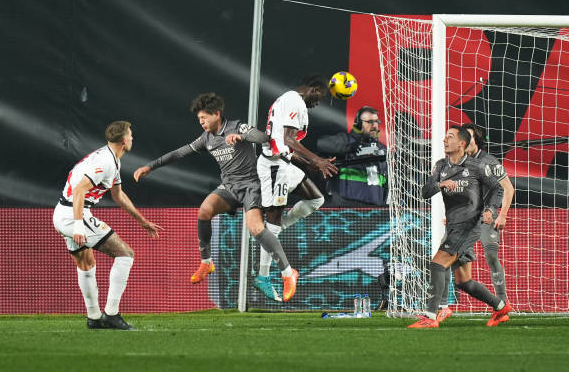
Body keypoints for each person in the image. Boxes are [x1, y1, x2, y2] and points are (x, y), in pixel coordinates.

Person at [133, 92, 299, 302]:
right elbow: (179, 153)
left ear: (217, 114)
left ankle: (288, 273)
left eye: (204, 117)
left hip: (251, 186)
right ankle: (206, 262)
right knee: (204, 211)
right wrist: (150, 166)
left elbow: (264, 138)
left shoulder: (237, 127)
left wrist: (242, 137)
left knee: (256, 229)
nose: (201, 122)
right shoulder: (206, 138)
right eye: (199, 119)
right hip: (229, 187)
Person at [53, 121, 163, 330]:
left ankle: (94, 318)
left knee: (86, 263)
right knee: (125, 254)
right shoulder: (106, 162)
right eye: (130, 135)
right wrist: (78, 226)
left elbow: (118, 196)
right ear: (124, 141)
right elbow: (79, 190)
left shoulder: (112, 159)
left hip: (63, 212)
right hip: (73, 214)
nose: (132, 138)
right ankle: (111, 314)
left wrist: (143, 221)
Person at [408, 126, 514, 328]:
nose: (445, 140)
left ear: (462, 144)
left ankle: (430, 317)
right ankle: (500, 307)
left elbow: (496, 188)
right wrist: (441, 184)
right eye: (445, 136)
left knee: (438, 263)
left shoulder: (477, 166)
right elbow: (425, 192)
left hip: (469, 226)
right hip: (453, 225)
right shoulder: (440, 166)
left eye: (450, 137)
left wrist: (491, 209)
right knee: (464, 281)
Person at [254, 75, 338, 301]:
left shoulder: (288, 99)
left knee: (316, 199)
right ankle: (263, 276)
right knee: (272, 223)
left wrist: (310, 163)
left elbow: (283, 144)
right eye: (319, 98)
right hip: (274, 168)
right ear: (315, 89)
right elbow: (289, 139)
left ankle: (273, 232)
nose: (317, 104)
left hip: (283, 163)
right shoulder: (295, 101)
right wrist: (317, 159)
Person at [316, 106, 388, 206]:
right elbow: (321, 143)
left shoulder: (382, 149)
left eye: (376, 122)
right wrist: (348, 148)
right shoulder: (346, 140)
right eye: (370, 122)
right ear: (358, 125)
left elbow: (385, 182)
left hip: (374, 207)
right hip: (345, 206)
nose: (374, 125)